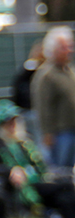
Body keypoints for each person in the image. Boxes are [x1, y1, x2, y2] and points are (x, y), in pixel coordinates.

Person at [31, 26, 75, 168]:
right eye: (64, 47)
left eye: (70, 46)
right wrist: (47, 133)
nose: (69, 50)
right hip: (60, 134)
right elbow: (43, 106)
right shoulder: (47, 75)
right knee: (60, 169)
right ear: (52, 49)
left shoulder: (69, 71)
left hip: (72, 128)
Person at [12, 40, 43, 147]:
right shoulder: (31, 68)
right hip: (31, 110)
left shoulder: (27, 69)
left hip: (28, 109)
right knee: (36, 139)